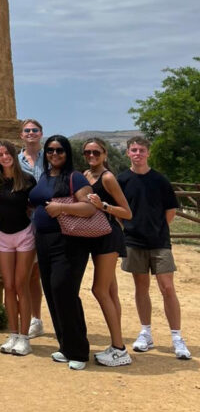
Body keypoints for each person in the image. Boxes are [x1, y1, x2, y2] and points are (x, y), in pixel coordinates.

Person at [118, 136, 191, 360]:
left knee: (167, 287)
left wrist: (157, 228)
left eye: (141, 150)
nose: (137, 154)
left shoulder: (160, 180)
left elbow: (170, 210)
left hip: (159, 242)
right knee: (141, 287)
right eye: (133, 150)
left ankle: (177, 337)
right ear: (128, 153)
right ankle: (146, 332)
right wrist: (128, 229)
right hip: (134, 241)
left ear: (148, 153)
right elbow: (118, 210)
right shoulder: (122, 180)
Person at [28, 135, 93, 369]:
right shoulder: (45, 176)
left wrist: (61, 207)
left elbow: (89, 207)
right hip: (43, 241)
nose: (54, 154)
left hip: (69, 242)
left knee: (64, 291)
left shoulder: (75, 177)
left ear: (67, 153)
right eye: (50, 150)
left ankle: (79, 352)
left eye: (59, 150)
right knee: (53, 293)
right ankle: (65, 346)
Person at [81, 137, 133, 367]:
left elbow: (127, 212)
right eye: (88, 153)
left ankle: (120, 348)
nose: (92, 156)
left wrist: (103, 206)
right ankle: (116, 344)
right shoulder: (85, 175)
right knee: (110, 291)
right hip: (95, 235)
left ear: (105, 154)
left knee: (99, 290)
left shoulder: (108, 177)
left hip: (108, 236)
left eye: (96, 153)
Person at [0, 141, 35, 356]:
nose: (5, 157)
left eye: (8, 153)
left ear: (13, 155)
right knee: (8, 286)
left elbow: (35, 206)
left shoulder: (27, 180)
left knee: (21, 285)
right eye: (0, 154)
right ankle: (13, 334)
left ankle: (25, 337)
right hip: (3, 236)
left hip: (24, 235)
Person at [18, 118, 45, 340]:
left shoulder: (52, 156)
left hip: (49, 221)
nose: (31, 133)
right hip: (24, 222)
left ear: (41, 133)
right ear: (21, 135)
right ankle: (34, 319)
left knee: (49, 273)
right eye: (27, 130)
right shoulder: (15, 160)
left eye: (34, 130)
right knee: (29, 275)